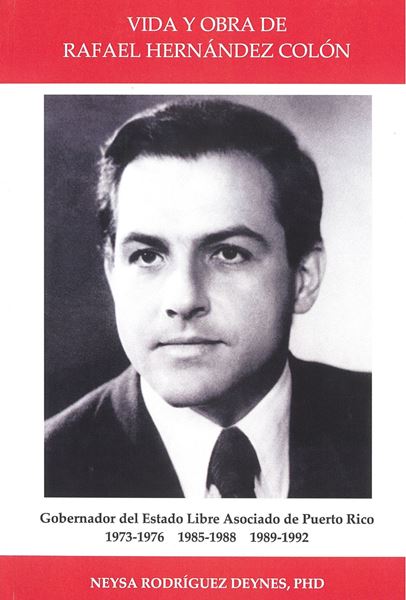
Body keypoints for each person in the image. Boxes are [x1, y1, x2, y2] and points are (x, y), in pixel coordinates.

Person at [45, 99, 371, 498]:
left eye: (229, 253)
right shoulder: (39, 472)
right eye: (147, 256)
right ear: (113, 272)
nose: (184, 300)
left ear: (304, 277)